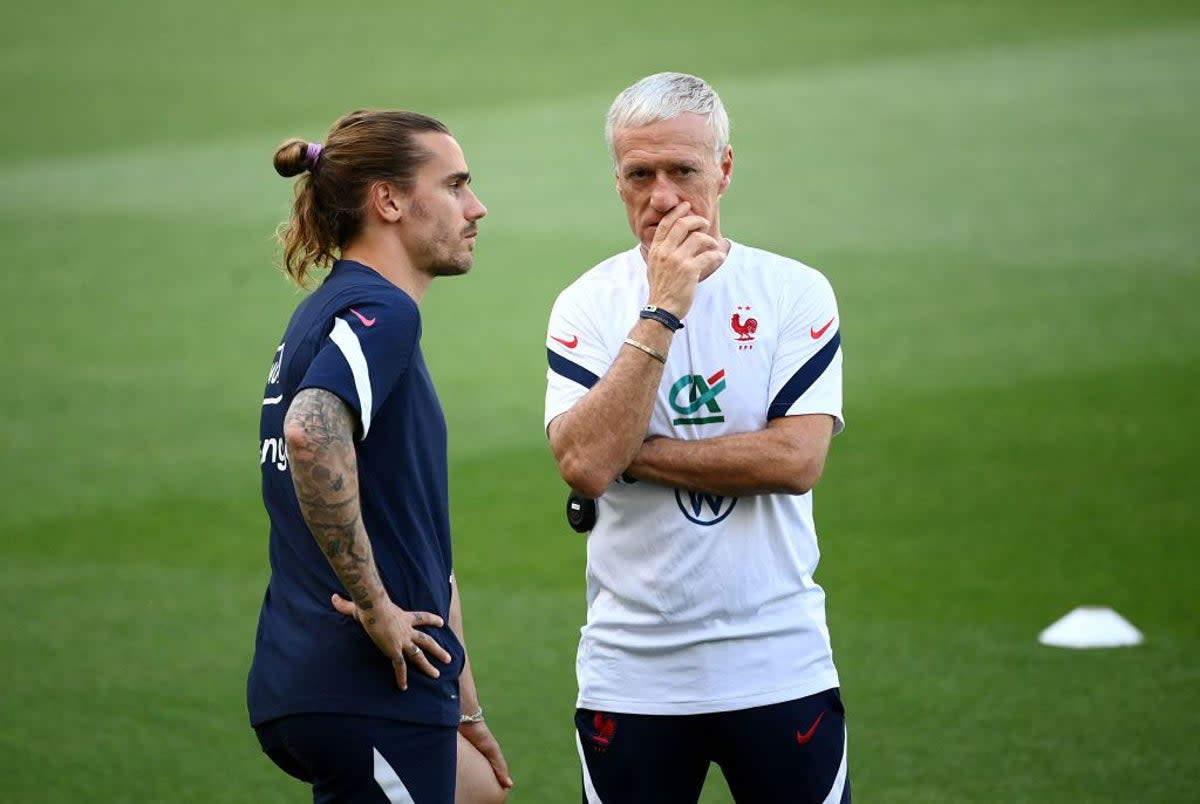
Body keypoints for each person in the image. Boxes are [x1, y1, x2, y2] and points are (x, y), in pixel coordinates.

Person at [543, 73, 851, 803]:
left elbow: (795, 459)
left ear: (725, 169)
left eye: (683, 170)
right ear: (616, 180)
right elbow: (586, 464)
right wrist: (665, 306)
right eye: (639, 174)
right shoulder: (588, 304)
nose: (662, 197)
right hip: (633, 675)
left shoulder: (794, 291)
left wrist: (635, 457)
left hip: (777, 662)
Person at [247, 109, 512, 804]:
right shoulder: (384, 312)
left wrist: (464, 704)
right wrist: (375, 605)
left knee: (480, 790)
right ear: (389, 201)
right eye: (455, 185)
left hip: (337, 683)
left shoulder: (330, 309)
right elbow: (309, 430)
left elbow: (413, 530)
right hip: (363, 682)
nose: (476, 207)